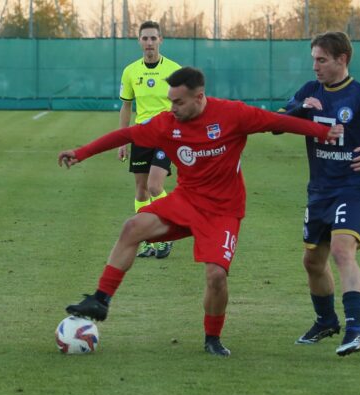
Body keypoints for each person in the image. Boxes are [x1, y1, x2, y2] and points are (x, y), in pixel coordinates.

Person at [58, 67, 343, 356]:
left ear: (199, 97)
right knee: (133, 227)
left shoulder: (233, 114)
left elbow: (278, 121)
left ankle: (212, 338)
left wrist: (323, 132)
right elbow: (127, 134)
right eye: (170, 101)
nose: (172, 108)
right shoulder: (167, 124)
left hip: (223, 210)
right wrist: (81, 153)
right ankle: (101, 300)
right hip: (187, 200)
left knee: (216, 276)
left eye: (178, 102)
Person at [279, 32, 360, 356]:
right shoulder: (310, 91)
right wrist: (301, 107)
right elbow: (278, 123)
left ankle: (355, 330)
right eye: (313, 60)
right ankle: (326, 321)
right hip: (319, 191)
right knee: (312, 261)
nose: (315, 66)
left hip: (353, 188)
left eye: (322, 60)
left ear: (341, 59)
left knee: (342, 251)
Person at [118, 20, 181, 259]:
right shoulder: (131, 71)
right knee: (141, 191)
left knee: (156, 186)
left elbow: (185, 104)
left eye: (153, 38)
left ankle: (168, 234)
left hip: (166, 137)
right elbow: (126, 106)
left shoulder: (174, 70)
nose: (149, 43)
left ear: (161, 40)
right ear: (139, 42)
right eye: (145, 38)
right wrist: (123, 141)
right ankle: (146, 242)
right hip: (141, 136)